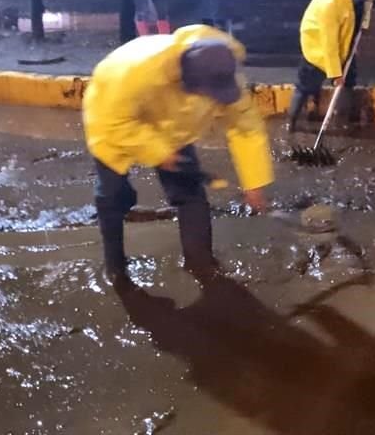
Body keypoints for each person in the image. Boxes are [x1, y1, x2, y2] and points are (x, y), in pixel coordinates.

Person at [82, 24, 274, 281]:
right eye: (209, 95)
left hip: (173, 124)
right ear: (187, 82)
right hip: (111, 120)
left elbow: (246, 126)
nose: (216, 100)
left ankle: (201, 263)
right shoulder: (130, 72)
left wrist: (254, 183)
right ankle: (115, 268)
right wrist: (157, 151)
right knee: (115, 196)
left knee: (190, 194)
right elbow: (112, 123)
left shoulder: (219, 68)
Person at [287, 0, 372, 133]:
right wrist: (335, 74)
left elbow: (367, 2)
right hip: (317, 47)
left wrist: (365, 23)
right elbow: (329, 43)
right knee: (305, 86)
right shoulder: (331, 2)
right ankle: (291, 122)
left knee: (348, 83)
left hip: (343, 45)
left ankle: (340, 122)